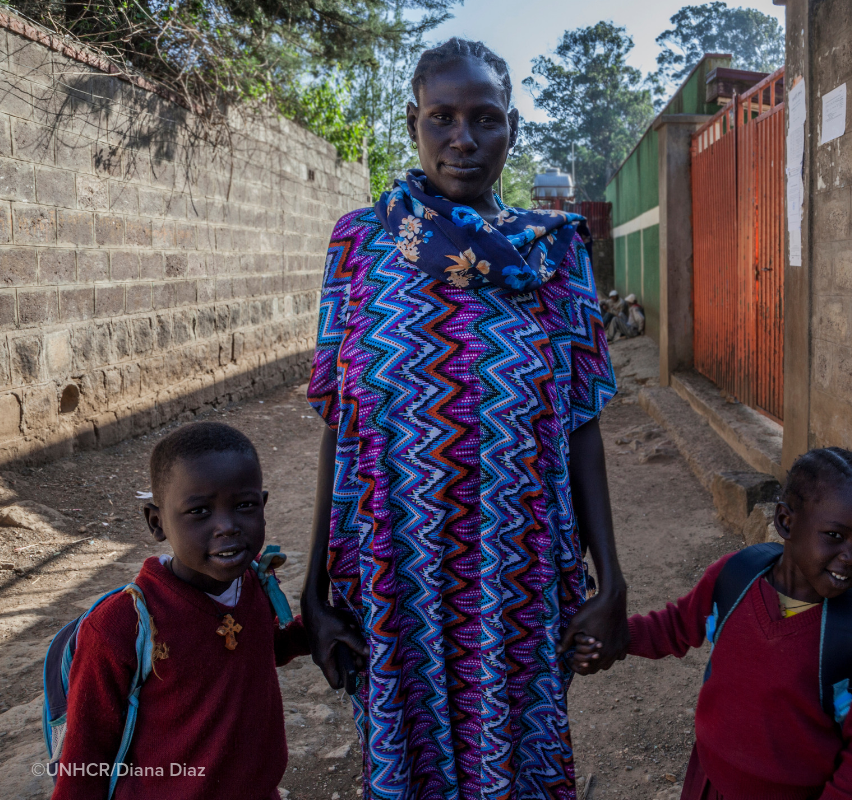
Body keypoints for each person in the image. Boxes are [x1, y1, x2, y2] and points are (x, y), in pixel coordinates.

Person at [301, 37, 627, 800]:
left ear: (512, 128)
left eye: (485, 119)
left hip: (516, 569)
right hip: (392, 570)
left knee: (516, 760)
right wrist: (314, 591)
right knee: (404, 755)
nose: (463, 139)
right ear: (413, 122)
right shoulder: (361, 245)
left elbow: (582, 421)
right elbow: (338, 424)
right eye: (441, 117)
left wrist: (610, 580)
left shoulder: (554, 254)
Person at [572, 447, 852, 800]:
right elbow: (676, 625)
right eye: (835, 535)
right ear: (786, 522)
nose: (851, 556)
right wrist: (617, 637)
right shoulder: (734, 578)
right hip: (710, 780)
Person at [52, 422, 308, 800]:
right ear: (157, 523)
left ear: (263, 505)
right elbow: (83, 763)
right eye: (200, 511)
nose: (228, 526)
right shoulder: (122, 625)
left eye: (245, 505)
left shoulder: (254, 581)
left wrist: (315, 629)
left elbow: (263, 647)